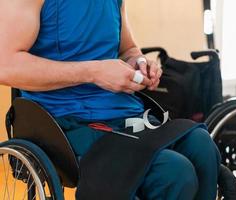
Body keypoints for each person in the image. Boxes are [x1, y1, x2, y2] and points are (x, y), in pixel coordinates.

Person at [0, 0, 221, 199]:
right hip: (65, 119)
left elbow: (128, 49)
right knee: (174, 172)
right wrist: (92, 72)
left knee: (202, 146)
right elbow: (5, 66)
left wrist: (139, 62)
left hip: (123, 111)